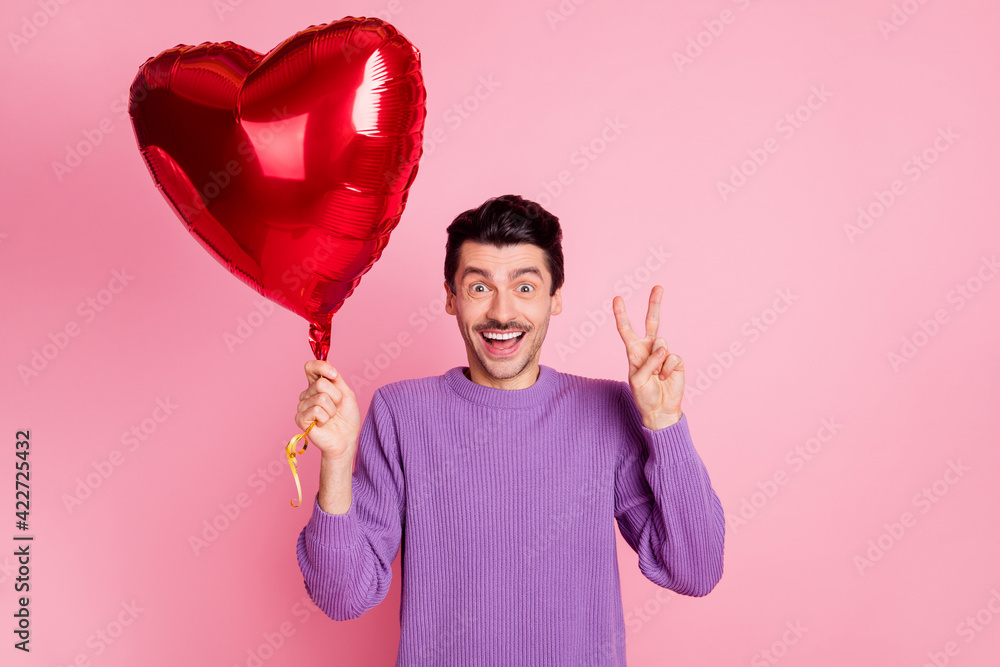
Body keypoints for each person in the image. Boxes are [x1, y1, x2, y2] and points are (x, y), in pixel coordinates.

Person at [294, 194, 725, 666]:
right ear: (451, 297)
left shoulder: (607, 410)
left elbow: (696, 571)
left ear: (555, 298)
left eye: (525, 287)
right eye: (480, 288)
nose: (501, 313)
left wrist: (665, 426)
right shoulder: (401, 413)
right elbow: (342, 597)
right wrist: (335, 461)